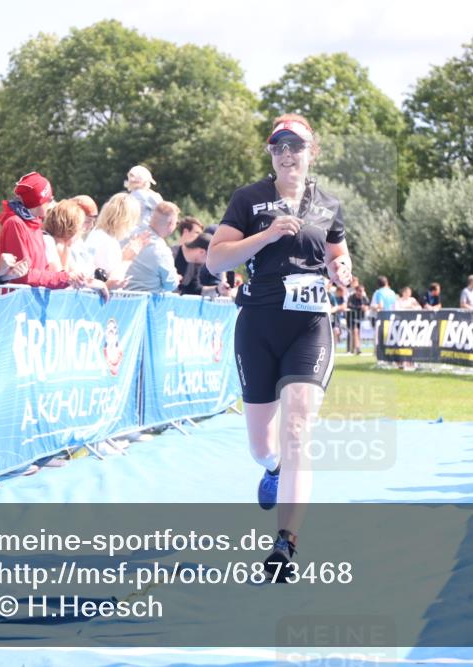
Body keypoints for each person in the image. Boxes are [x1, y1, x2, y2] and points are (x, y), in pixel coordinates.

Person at [206, 113, 351, 579]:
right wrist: (267, 234)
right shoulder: (249, 199)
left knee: (297, 432)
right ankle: (270, 471)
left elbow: (336, 253)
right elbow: (214, 259)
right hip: (258, 326)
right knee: (263, 445)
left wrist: (342, 271)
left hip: (309, 327)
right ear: (271, 154)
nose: (287, 153)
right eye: (278, 146)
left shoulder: (329, 204)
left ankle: (286, 543)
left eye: (296, 145)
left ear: (313, 151)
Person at [0, 172, 86, 289]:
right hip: (15, 302)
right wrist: (64, 278)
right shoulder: (15, 223)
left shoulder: (35, 224)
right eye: (50, 199)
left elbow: (43, 270)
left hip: (30, 302)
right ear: (39, 201)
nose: (51, 203)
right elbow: (22, 274)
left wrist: (66, 277)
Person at [84, 192, 147, 280]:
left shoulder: (100, 233)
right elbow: (112, 280)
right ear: (126, 219)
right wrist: (127, 258)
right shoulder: (107, 240)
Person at [126, 201, 182, 293]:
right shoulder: (162, 250)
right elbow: (170, 285)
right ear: (171, 224)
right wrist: (176, 278)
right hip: (145, 304)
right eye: (177, 222)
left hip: (118, 299)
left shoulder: (131, 234)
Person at [347, 283, 370, 354]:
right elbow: (349, 305)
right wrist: (360, 307)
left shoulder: (364, 298)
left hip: (359, 318)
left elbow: (368, 304)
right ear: (356, 291)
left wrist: (366, 307)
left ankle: (354, 349)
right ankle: (357, 348)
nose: (361, 292)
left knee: (357, 333)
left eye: (362, 291)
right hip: (351, 317)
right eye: (360, 291)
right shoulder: (351, 297)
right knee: (355, 331)